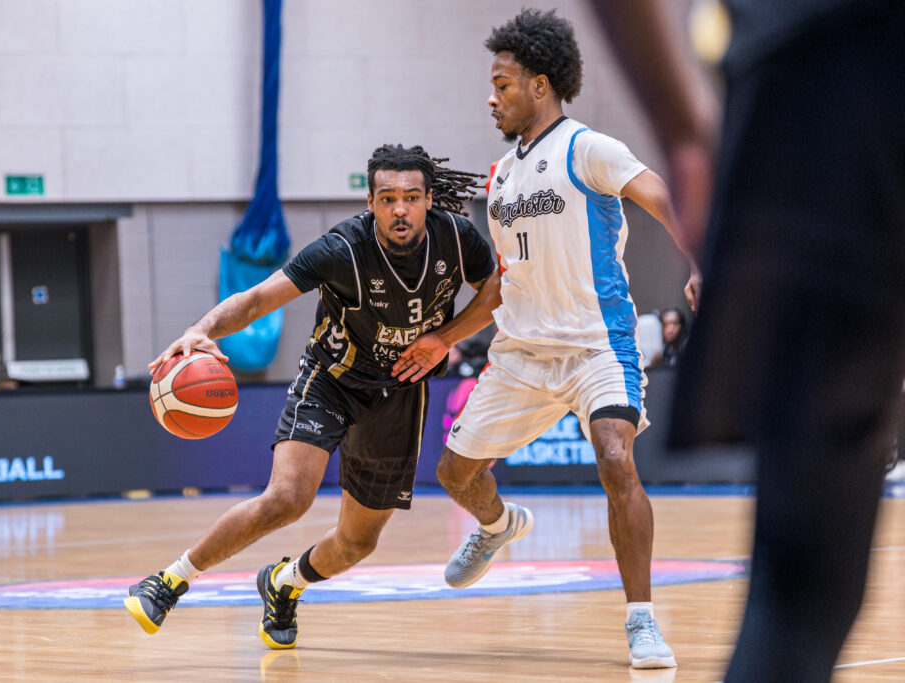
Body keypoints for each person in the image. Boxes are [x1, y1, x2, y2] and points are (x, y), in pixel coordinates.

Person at [591, 0, 905, 680]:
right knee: (806, 582)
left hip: (818, 90)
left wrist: (682, 132)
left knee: (803, 588)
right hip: (830, 80)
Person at [391, 9, 699, 669]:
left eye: (501, 84)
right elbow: (503, 286)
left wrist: (700, 261)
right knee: (454, 472)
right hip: (522, 355)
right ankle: (498, 526)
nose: (491, 97)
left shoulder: (588, 148)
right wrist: (445, 337)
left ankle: (642, 621)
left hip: (596, 345)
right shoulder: (501, 177)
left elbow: (661, 194)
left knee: (615, 458)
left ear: (539, 84)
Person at [124, 144, 499, 649]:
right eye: (387, 198)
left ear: (429, 200)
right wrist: (201, 329)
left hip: (399, 394)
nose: (400, 209)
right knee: (287, 499)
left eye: (411, 197)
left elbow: (498, 289)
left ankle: (284, 583)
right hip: (331, 380)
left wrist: (445, 338)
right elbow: (256, 299)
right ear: (370, 202)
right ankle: (169, 580)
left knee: (357, 543)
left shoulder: (457, 238)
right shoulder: (341, 249)